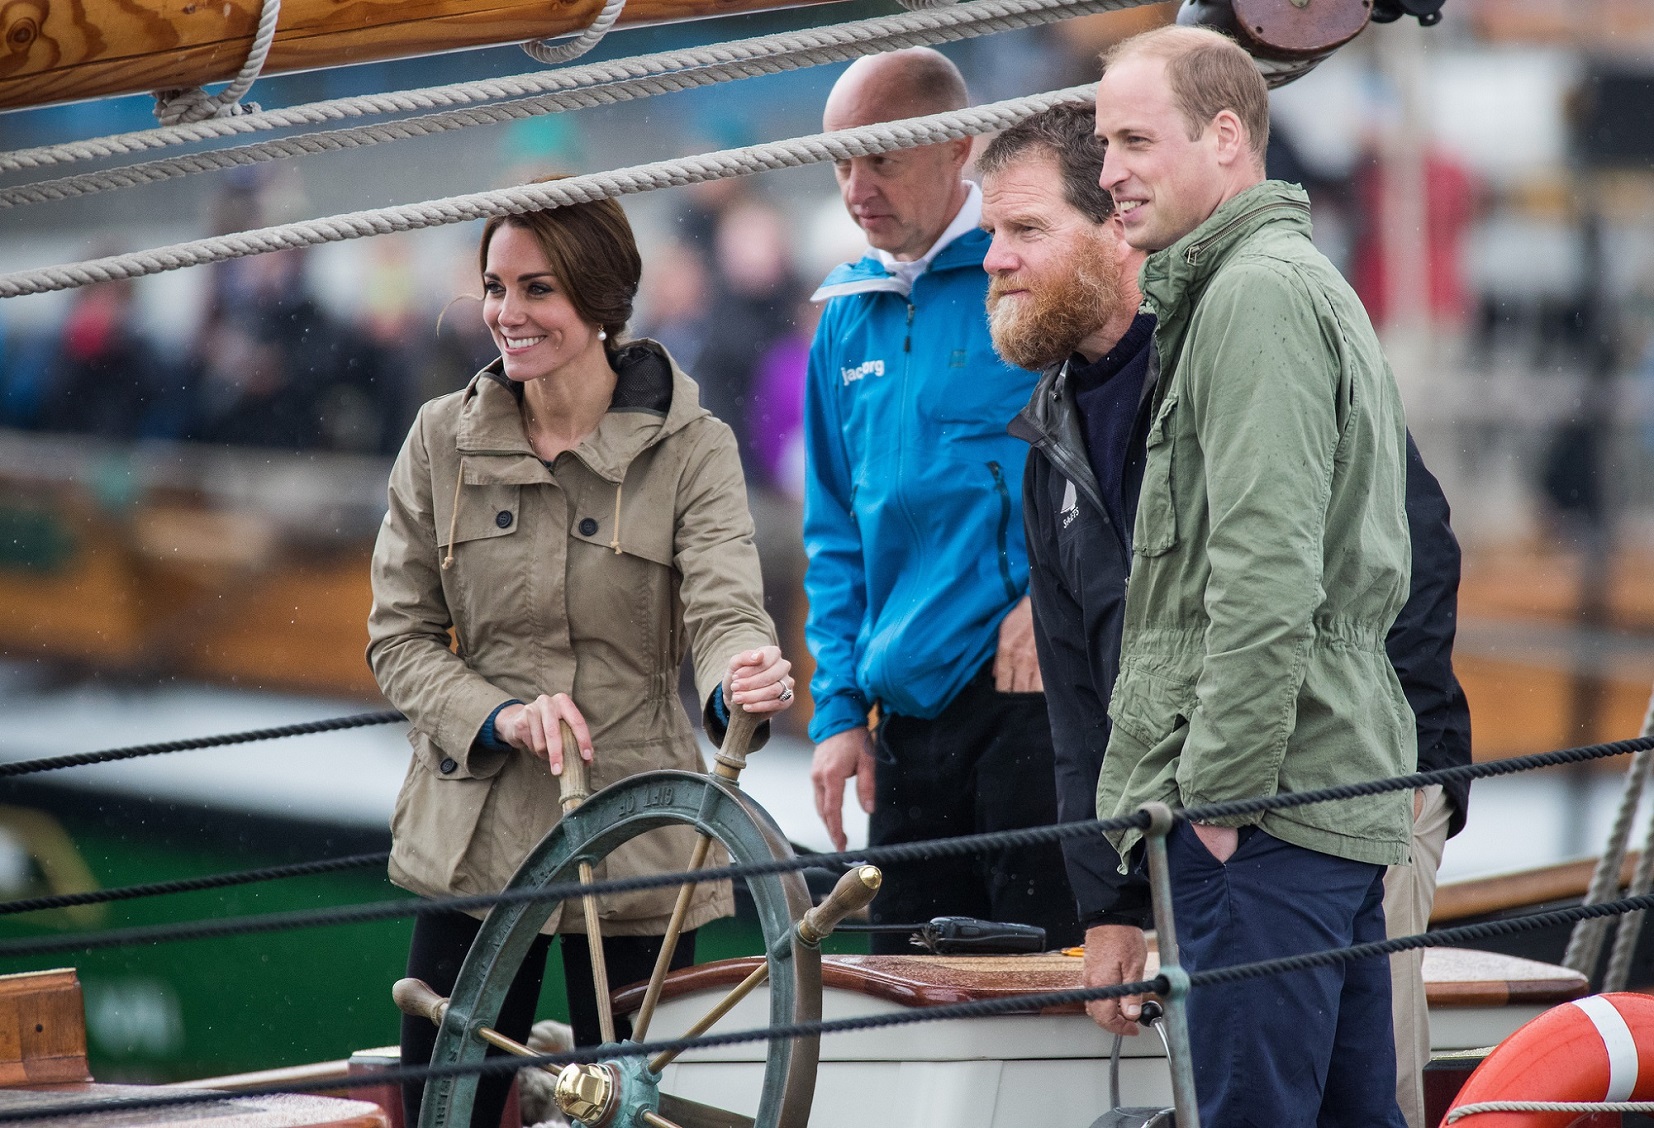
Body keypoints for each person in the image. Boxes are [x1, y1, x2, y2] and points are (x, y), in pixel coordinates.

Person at [981, 102, 1472, 1128]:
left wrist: (1404, 792)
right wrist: (1109, 903)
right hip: (1200, 823)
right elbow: (1083, 696)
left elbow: (1407, 562)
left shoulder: (1247, 339)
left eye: (1022, 231)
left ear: (1117, 223)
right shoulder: (1051, 438)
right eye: (992, 233)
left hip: (1333, 801)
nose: (992, 260)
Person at [366, 185, 797, 1128]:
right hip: (473, 843)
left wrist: (741, 678)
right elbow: (396, 637)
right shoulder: (439, 441)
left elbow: (727, 609)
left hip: (635, 831)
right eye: (494, 287)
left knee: (648, 1114)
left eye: (538, 291)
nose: (506, 315)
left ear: (602, 302)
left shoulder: (695, 450)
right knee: (443, 1115)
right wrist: (502, 715)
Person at [1089, 26, 1417, 1125]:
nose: (1107, 172)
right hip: (1317, 800)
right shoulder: (1272, 282)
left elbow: (1265, 574)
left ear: (1225, 136)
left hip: (1264, 819)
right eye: (1102, 143)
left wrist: (1219, 807)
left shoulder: (1253, 299)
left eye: (1135, 139)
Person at [802, 48, 1080, 952]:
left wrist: (1051, 601)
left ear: (957, 145)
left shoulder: (1029, 274)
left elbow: (1116, 472)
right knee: (908, 1005)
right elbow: (836, 532)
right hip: (906, 723)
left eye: (877, 157)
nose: (854, 187)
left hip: (1028, 703)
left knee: (1046, 988)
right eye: (840, 160)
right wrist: (840, 714)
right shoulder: (845, 315)